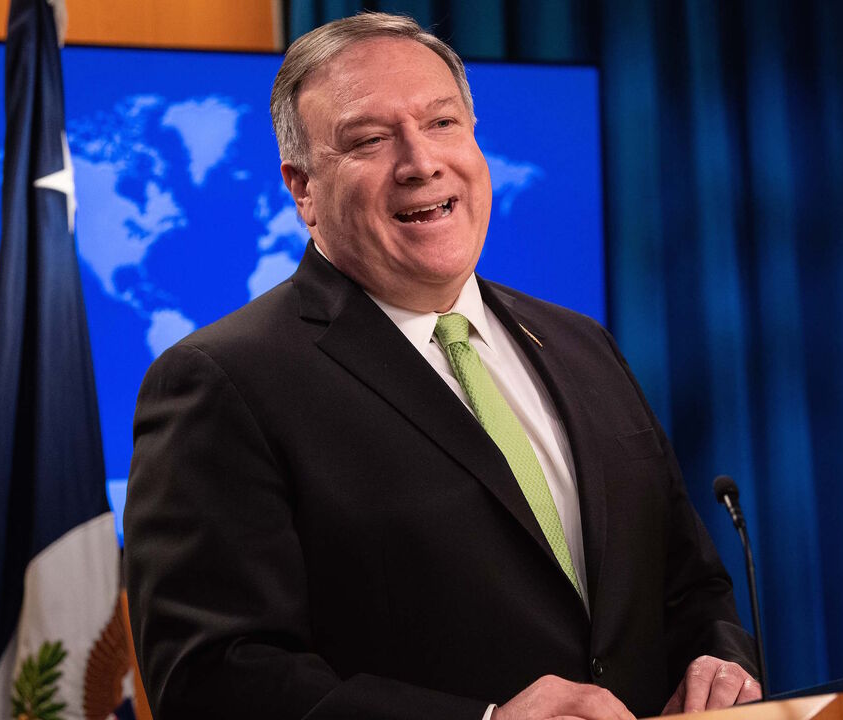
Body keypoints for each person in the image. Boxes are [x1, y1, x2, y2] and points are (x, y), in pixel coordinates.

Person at [124, 12, 760, 719]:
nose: (421, 162)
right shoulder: (222, 381)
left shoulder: (584, 345)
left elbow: (689, 587)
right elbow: (214, 679)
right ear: (302, 188)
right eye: (369, 138)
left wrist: (721, 660)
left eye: (443, 123)